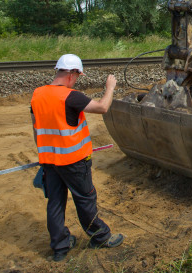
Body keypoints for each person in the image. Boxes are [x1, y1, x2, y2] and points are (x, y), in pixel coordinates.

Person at [30, 53, 124, 262]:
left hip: (49, 161)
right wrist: (109, 88)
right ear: (72, 74)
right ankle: (100, 238)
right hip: (73, 161)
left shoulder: (37, 94)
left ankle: (60, 248)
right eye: (78, 76)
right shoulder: (71, 96)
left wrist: (43, 155)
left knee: (55, 202)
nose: (77, 80)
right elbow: (102, 107)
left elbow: (36, 128)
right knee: (85, 199)